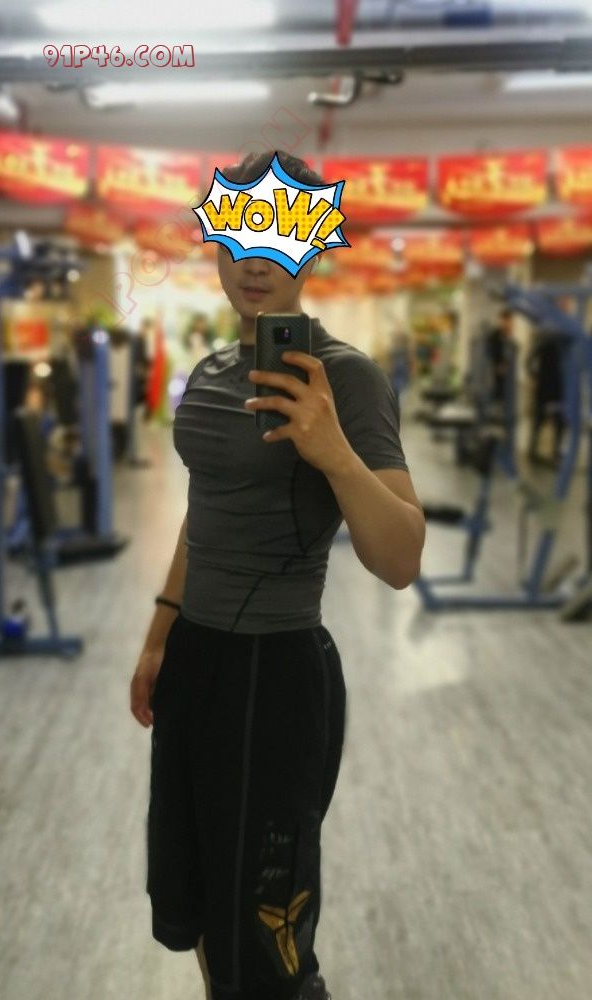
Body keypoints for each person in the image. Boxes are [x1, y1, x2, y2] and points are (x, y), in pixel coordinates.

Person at [129, 149, 425, 1000]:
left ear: (312, 250)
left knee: (268, 933)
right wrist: (159, 634)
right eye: (240, 237)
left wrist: (331, 451)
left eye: (280, 239)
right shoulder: (211, 375)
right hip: (196, 659)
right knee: (192, 897)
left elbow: (400, 557)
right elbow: (204, 512)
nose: (254, 262)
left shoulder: (345, 379)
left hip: (277, 672)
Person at [526, 326, 566, 465]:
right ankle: (533, 452)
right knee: (539, 420)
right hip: (545, 388)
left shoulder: (564, 344)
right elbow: (529, 360)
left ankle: (555, 452)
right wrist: (534, 377)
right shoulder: (545, 341)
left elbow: (529, 361)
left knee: (559, 421)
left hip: (558, 389)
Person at [485, 308, 516, 406]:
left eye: (510, 321)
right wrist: (498, 365)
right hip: (494, 375)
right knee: (496, 398)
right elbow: (491, 353)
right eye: (507, 321)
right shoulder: (494, 337)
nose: (510, 324)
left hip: (506, 378)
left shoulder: (508, 337)